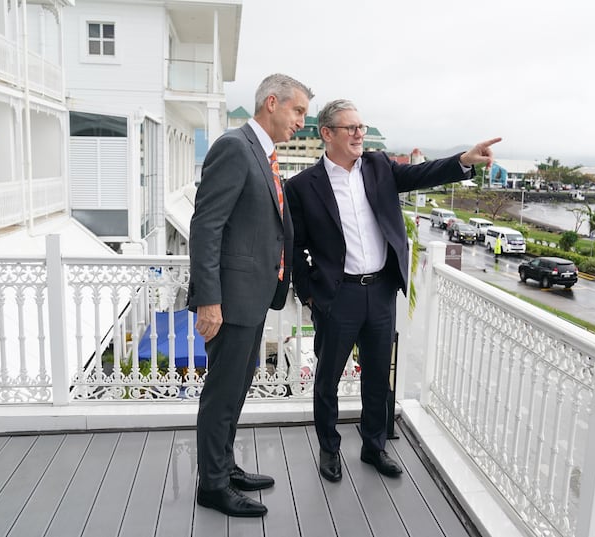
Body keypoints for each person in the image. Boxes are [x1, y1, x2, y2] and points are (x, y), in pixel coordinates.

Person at [284, 98, 500, 483]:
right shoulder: (302, 186)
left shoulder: (379, 166)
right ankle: (330, 449)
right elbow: (295, 246)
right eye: (350, 128)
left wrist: (463, 160)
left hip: (380, 291)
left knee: (378, 377)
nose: (358, 134)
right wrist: (310, 293)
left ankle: (374, 446)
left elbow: (422, 174)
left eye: (361, 127)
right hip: (338, 296)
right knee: (328, 378)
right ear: (327, 133)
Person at [188, 73, 313, 517]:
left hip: (253, 295)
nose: (302, 120)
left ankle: (223, 466)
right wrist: (209, 299)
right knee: (222, 393)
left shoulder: (264, 153)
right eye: (298, 111)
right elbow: (206, 225)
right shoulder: (234, 147)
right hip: (230, 298)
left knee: (237, 389)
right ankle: (213, 486)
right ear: (272, 103)